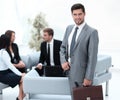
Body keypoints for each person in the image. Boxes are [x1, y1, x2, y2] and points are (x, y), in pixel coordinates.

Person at [60, 3, 99, 93]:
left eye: (80, 14)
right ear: (72, 15)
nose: (77, 17)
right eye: (75, 14)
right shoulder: (69, 29)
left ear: (84, 14)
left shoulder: (92, 32)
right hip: (68, 72)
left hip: (82, 75)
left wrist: (88, 77)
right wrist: (63, 61)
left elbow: (92, 58)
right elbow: (62, 48)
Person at [0, 34, 25, 100]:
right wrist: (20, 74)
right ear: (6, 42)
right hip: (3, 75)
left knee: (22, 77)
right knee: (23, 78)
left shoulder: (1, 51)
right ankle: (20, 97)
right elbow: (10, 66)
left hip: (4, 73)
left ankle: (21, 96)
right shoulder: (3, 52)